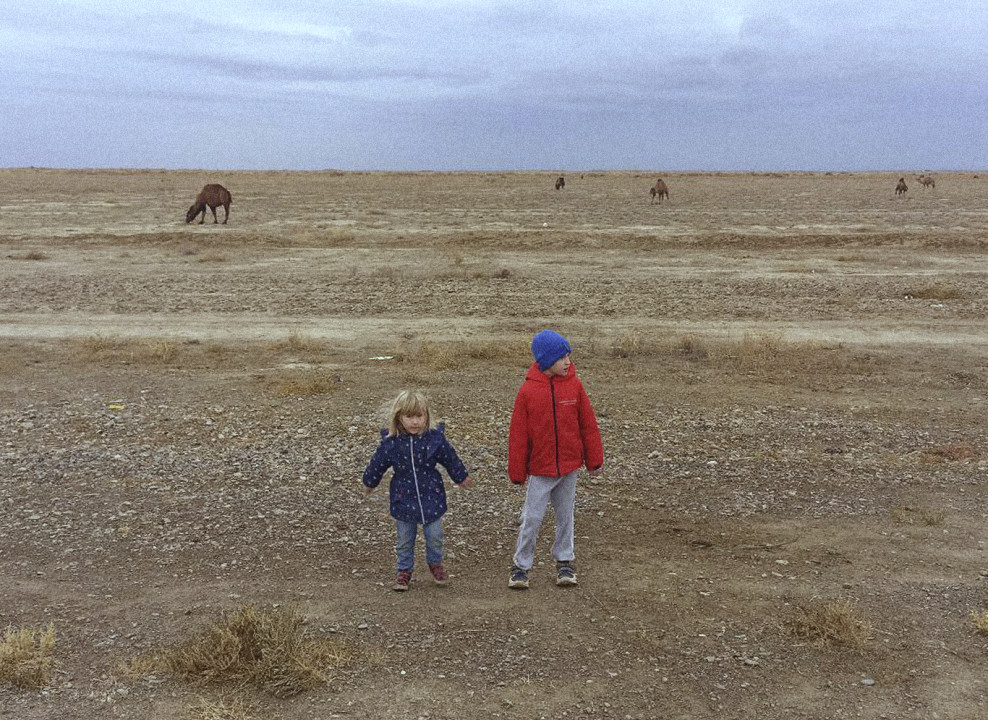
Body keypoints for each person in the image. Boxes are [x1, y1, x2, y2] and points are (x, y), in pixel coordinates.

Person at [507, 329, 603, 589]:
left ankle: (565, 562)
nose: (568, 362)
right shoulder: (527, 391)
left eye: (568, 356)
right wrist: (517, 471)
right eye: (562, 357)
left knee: (565, 516)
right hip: (540, 469)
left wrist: (594, 458)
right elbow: (518, 435)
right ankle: (521, 566)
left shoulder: (575, 385)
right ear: (547, 360)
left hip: (569, 467)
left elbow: (587, 424)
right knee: (532, 518)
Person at [362, 390, 473, 591]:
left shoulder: (434, 439)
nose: (415, 422)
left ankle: (435, 563)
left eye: (419, 416)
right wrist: (370, 482)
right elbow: (378, 463)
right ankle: (404, 571)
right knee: (404, 538)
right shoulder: (391, 442)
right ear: (399, 418)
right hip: (403, 497)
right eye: (409, 417)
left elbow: (450, 458)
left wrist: (461, 476)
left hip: (432, 495)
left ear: (427, 416)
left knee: (435, 535)